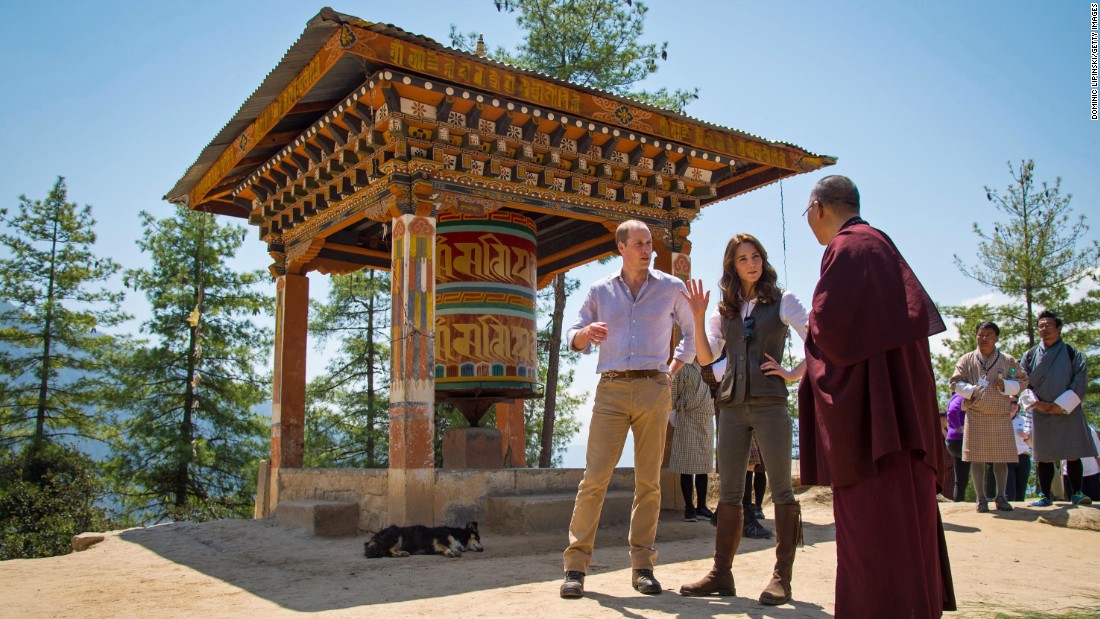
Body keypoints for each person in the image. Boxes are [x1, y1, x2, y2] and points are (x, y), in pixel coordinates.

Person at [797, 175, 956, 618]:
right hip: (901, 420)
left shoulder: (849, 249)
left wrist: (811, 331)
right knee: (907, 530)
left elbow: (829, 333)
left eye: (807, 214)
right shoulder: (879, 245)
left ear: (819, 209)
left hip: (874, 432)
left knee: (874, 539)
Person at [559, 219, 695, 600]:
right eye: (638, 243)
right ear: (621, 247)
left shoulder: (671, 287)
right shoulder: (600, 290)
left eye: (649, 243)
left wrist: (673, 368)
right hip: (611, 390)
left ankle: (643, 567)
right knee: (594, 480)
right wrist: (584, 336)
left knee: (648, 482)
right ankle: (575, 568)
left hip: (654, 387)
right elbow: (573, 333)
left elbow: (692, 332)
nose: (647, 250)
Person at [680, 233, 808, 605]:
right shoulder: (726, 310)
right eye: (742, 259)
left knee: (781, 490)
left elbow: (816, 339)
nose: (751, 264)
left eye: (756, 257)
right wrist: (700, 316)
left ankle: (782, 577)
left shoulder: (785, 301)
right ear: (732, 266)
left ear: (763, 260)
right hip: (732, 406)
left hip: (770, 403)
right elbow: (707, 361)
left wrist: (792, 373)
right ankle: (722, 574)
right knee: (731, 492)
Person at [1019, 309, 1096, 507]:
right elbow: (1022, 381)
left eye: (1048, 325)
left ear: (1059, 327)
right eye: (1041, 326)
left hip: (1068, 410)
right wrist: (1038, 404)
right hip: (1041, 410)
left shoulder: (1072, 353)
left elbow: (1080, 380)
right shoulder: (1030, 355)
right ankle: (1045, 495)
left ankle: (1077, 492)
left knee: (1072, 451)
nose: (1044, 329)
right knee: (1043, 455)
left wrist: (1060, 405)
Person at [949, 321, 1028, 512]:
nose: (984, 338)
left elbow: (1023, 379)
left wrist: (1007, 386)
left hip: (1001, 415)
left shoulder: (1007, 360)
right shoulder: (967, 360)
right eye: (981, 334)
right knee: (977, 459)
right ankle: (981, 499)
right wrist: (971, 390)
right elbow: (954, 382)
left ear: (997, 338)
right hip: (976, 414)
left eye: (989, 334)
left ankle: (1001, 497)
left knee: (1001, 458)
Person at [668, 359, 716, 522]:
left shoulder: (710, 366)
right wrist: (674, 414)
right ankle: (689, 507)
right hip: (687, 416)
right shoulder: (683, 368)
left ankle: (701, 506)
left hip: (707, 418)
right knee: (686, 466)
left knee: (704, 466)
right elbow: (673, 393)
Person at [944, 393, 969, 502]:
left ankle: (959, 501)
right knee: (966, 474)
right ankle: (983, 499)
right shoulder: (960, 396)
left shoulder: (955, 397)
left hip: (954, 441)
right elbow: (953, 411)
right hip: (959, 440)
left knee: (960, 476)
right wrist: (959, 428)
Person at [1006, 399, 1033, 501]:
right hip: (1007, 458)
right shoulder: (1000, 420)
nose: (1013, 405)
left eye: (1015, 403)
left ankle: (1022, 515)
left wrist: (1026, 437)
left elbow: (1032, 444)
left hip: (1023, 457)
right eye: (1010, 402)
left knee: (1020, 493)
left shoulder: (1025, 420)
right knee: (1009, 492)